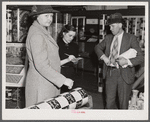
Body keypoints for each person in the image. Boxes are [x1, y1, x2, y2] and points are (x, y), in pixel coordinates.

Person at [25, 5, 75, 107]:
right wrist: (63, 80)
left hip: (46, 82)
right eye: (46, 16)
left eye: (51, 16)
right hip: (42, 85)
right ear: (37, 16)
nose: (50, 19)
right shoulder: (37, 35)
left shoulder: (40, 30)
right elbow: (41, 65)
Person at [94, 13, 144, 109]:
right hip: (110, 74)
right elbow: (97, 48)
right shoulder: (108, 38)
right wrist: (104, 57)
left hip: (124, 75)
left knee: (123, 104)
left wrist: (127, 61)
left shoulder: (131, 38)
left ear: (120, 25)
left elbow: (141, 57)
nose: (110, 28)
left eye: (112, 26)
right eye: (109, 26)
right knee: (109, 103)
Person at [57, 24, 79, 92]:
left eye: (73, 36)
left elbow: (75, 61)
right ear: (64, 33)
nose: (71, 38)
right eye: (70, 35)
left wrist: (75, 61)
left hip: (71, 72)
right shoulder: (57, 45)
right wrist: (68, 59)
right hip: (60, 72)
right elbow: (55, 63)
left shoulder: (75, 46)